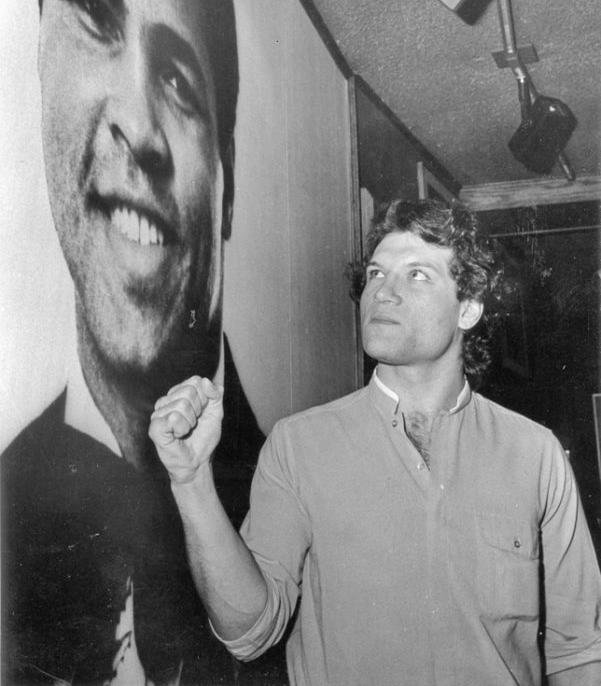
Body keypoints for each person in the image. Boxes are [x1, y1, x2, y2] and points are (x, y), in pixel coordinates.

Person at [1, 0, 269, 683]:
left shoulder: (296, 485)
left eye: (182, 83)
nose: (140, 129)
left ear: (226, 182)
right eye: (90, 10)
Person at [150, 197, 601, 686]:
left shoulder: (535, 454)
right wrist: (191, 481)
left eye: (417, 275)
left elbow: (579, 652)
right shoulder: (299, 445)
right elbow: (248, 631)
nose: (383, 292)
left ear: (468, 308)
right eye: (376, 274)